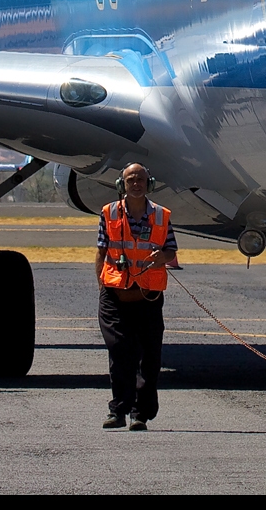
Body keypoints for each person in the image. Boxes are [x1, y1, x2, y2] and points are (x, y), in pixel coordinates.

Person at [96, 161, 176, 430]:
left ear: (149, 183)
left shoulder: (162, 216)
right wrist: (101, 285)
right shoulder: (109, 213)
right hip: (115, 291)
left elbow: (172, 252)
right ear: (122, 184)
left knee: (149, 357)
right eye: (131, 180)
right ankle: (118, 409)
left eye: (141, 179)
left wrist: (161, 257)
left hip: (148, 295)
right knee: (120, 349)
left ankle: (140, 413)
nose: (136, 184)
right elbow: (102, 250)